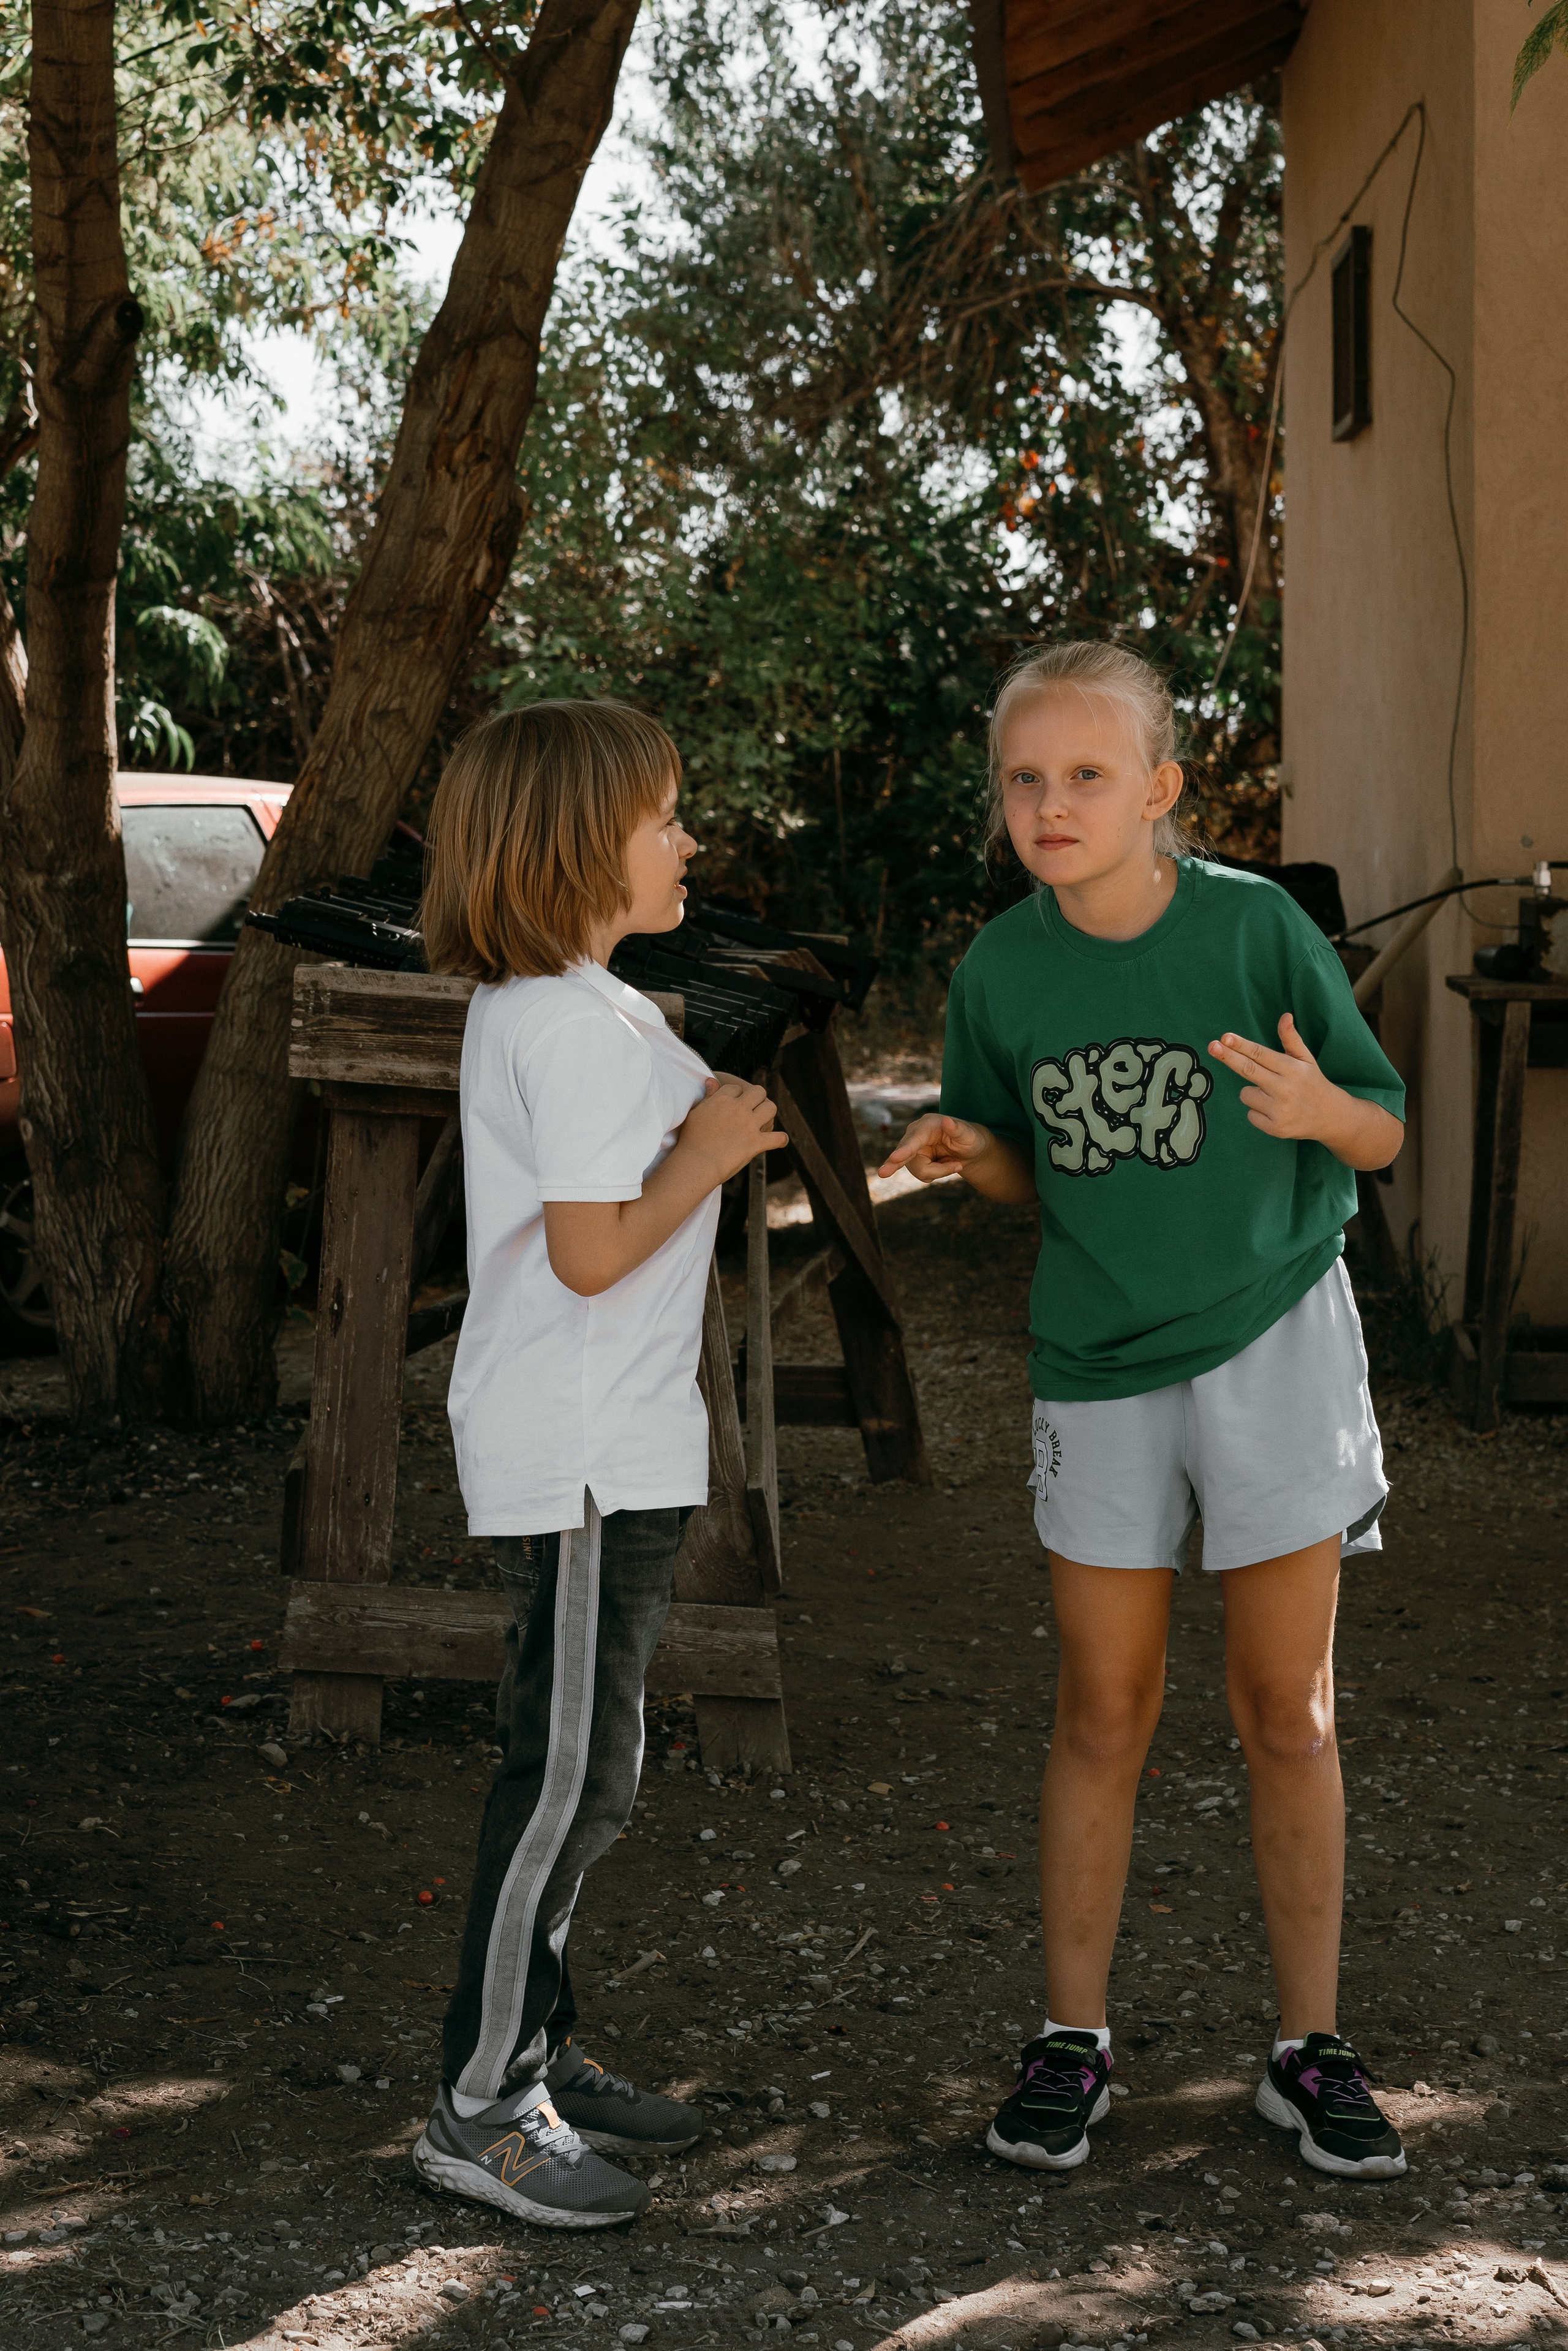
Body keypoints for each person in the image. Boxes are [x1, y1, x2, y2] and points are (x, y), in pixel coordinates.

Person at [880, 642, 1409, 2182]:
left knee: (1282, 1708)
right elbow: (1023, 1168)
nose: (1049, 803)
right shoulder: (1000, 969)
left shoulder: (1256, 932)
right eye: (1023, 778)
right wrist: (959, 1154)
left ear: (1161, 788)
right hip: (1096, 1363)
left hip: (1272, 1340)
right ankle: (1070, 2039)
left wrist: (1321, 1113)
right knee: (1099, 1707)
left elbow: (1373, 1123)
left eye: (1086, 774)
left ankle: (1307, 2048)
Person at [412, 701, 786, 2227]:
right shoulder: (564, 1022)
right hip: (575, 1452)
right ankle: (482, 2103)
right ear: (577, 847)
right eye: (663, 816)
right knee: (566, 1770)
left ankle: (537, 2050)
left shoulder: (592, 1002)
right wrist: (701, 1155)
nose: (686, 838)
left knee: (594, 1767)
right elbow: (583, 1254)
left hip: (616, 1446)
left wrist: (699, 1106)